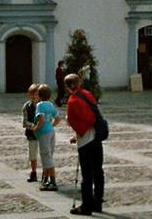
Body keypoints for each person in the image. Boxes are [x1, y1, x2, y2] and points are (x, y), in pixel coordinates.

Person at [64, 72, 104, 217]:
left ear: (68, 87)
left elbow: (74, 121)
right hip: (96, 136)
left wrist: (78, 134)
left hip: (85, 140)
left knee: (87, 175)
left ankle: (86, 206)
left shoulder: (72, 101)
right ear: (79, 83)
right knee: (98, 171)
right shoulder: (87, 94)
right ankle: (98, 202)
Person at [31, 83, 61, 191]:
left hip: (43, 133)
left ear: (39, 95)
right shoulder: (50, 105)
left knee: (46, 156)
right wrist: (51, 126)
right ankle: (46, 180)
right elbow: (58, 118)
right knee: (48, 155)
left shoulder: (40, 105)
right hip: (51, 132)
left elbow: (41, 119)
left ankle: (52, 181)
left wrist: (36, 128)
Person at [21, 84, 40, 182]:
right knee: (32, 154)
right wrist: (32, 126)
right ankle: (33, 172)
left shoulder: (43, 105)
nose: (34, 97)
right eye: (32, 94)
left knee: (45, 154)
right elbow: (24, 121)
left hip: (42, 134)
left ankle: (46, 175)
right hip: (31, 134)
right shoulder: (27, 106)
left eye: (36, 94)